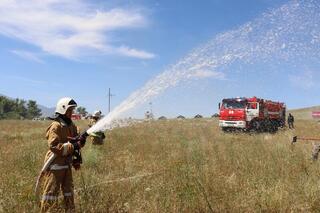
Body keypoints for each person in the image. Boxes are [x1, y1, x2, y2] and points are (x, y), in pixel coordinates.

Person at [40, 97, 86, 212]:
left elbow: (76, 142)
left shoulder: (72, 125)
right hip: (55, 164)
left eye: (72, 110)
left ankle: (70, 210)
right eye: (69, 110)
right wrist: (73, 146)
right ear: (62, 109)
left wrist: (81, 141)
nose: (71, 113)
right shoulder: (56, 126)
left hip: (67, 164)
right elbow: (54, 146)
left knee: (69, 191)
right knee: (51, 192)